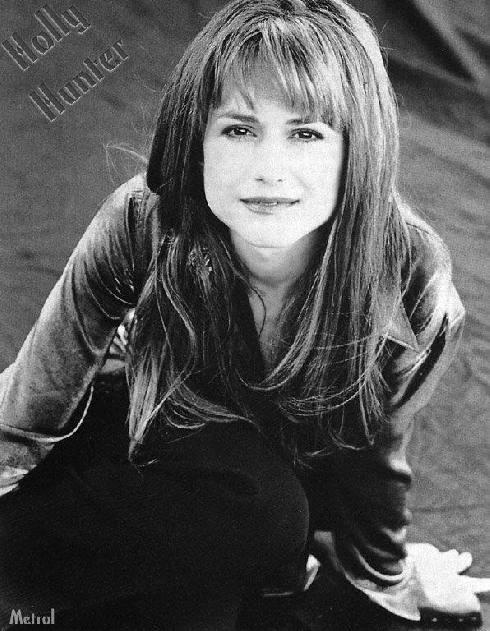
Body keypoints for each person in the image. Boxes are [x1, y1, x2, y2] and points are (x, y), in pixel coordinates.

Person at [0, 0, 488, 628]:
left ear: (357, 150)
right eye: (238, 130)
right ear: (196, 141)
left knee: (247, 560)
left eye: (306, 133)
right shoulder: (144, 217)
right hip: (140, 436)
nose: (268, 170)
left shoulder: (412, 280)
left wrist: (386, 577)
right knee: (264, 515)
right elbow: (33, 406)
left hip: (251, 491)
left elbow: (376, 453)